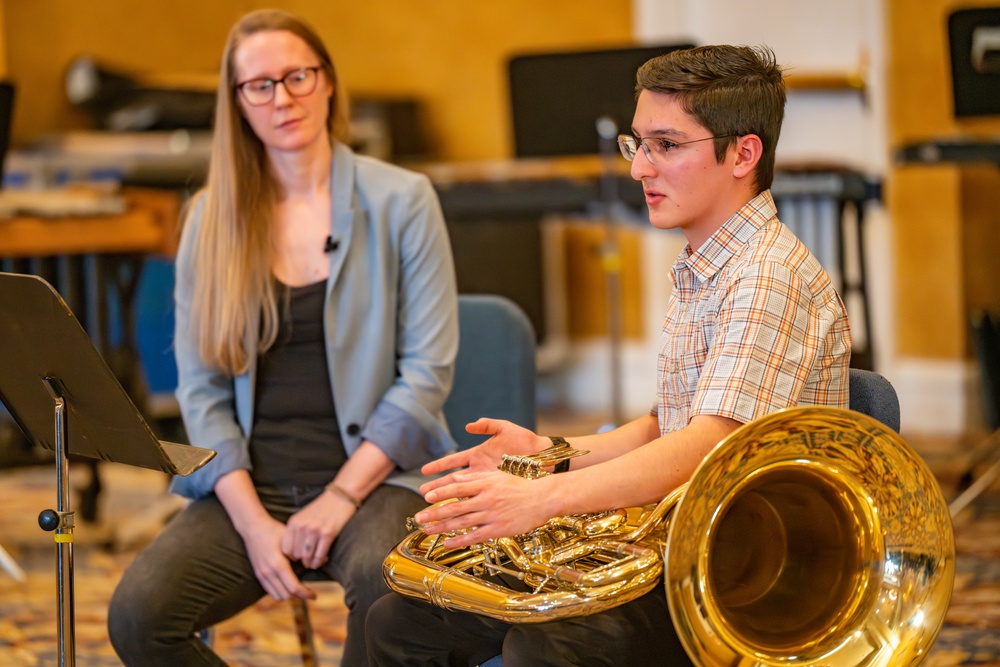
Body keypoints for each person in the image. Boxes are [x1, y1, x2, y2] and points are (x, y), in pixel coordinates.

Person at [365, 44, 852, 666]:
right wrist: (551, 456)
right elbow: (663, 424)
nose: (639, 169)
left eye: (666, 146)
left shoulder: (764, 276)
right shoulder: (707, 265)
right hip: (685, 544)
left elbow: (707, 444)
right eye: (638, 144)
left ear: (743, 153)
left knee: (542, 648)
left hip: (735, 575)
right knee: (401, 622)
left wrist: (544, 497)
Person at [107, 9, 458, 667]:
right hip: (251, 485)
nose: (283, 97)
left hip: (374, 480)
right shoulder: (210, 217)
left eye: (297, 75)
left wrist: (338, 498)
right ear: (237, 103)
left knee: (390, 592)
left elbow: (426, 376)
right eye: (260, 85)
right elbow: (202, 391)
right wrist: (252, 523)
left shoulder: (403, 200)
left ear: (327, 83)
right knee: (138, 616)